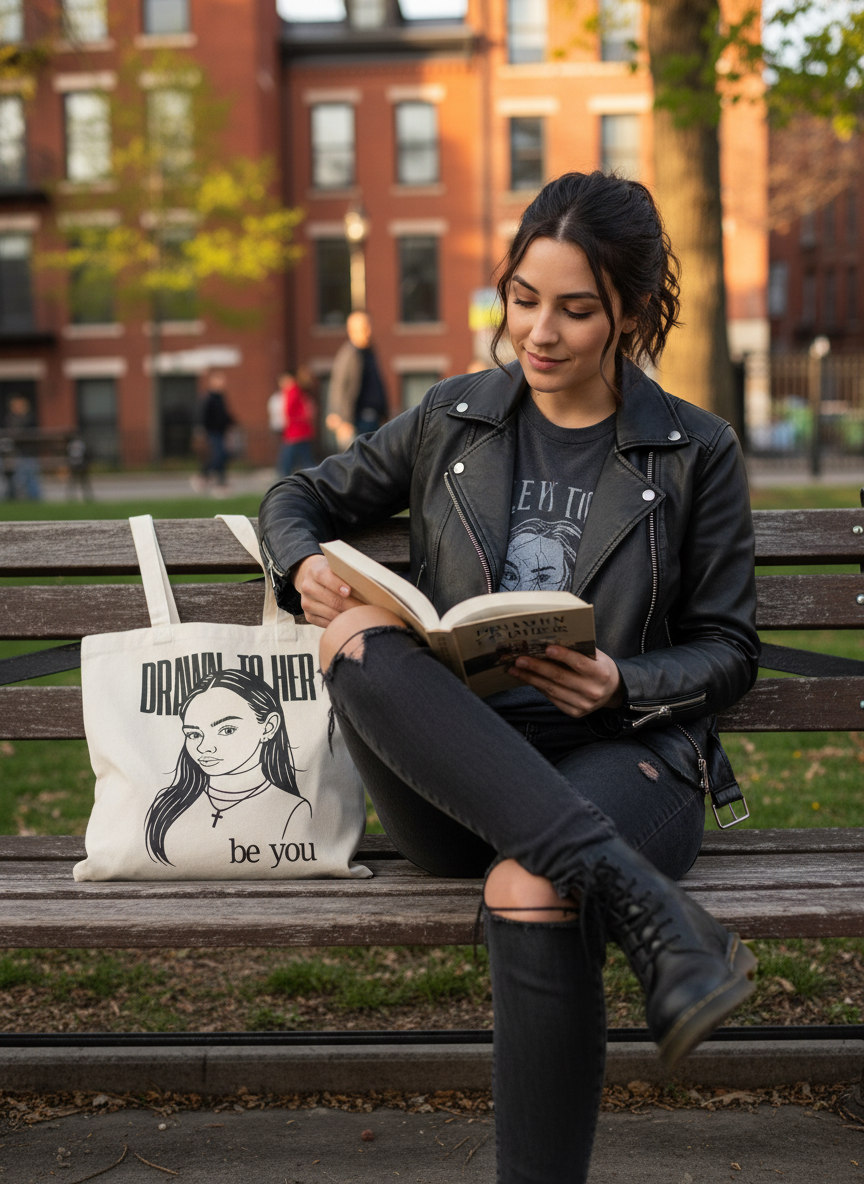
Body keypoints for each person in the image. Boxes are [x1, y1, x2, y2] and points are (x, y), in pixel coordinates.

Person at [258, 171, 760, 1182]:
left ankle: (603, 883)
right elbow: (298, 493)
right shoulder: (452, 417)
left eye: (576, 309)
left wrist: (622, 682)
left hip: (623, 759)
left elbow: (728, 648)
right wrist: (301, 561)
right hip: (454, 775)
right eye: (523, 298)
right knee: (354, 631)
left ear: (631, 312)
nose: (538, 331)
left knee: (533, 880)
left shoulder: (695, 450)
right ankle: (651, 910)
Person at [145, 668, 311, 868]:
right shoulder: (168, 803)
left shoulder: (293, 810)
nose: (204, 747)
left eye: (227, 730)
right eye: (194, 734)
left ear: (269, 727)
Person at [326, 310, 389, 449]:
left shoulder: (370, 353)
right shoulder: (349, 355)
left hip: (373, 420)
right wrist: (342, 419)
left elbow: (377, 385)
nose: (368, 331)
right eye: (364, 327)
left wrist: (384, 413)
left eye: (369, 326)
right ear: (351, 330)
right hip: (356, 422)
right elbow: (339, 387)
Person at [193, 372, 234, 494]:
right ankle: (205, 475)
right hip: (212, 431)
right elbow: (203, 415)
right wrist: (201, 430)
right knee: (219, 455)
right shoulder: (208, 398)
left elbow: (224, 415)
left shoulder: (220, 397)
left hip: (221, 431)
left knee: (222, 456)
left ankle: (220, 482)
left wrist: (231, 422)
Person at [276, 368, 317, 478]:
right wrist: (304, 415)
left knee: (293, 459)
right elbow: (289, 411)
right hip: (297, 430)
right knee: (300, 459)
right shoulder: (295, 391)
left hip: (297, 431)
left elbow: (289, 410)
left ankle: (285, 479)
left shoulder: (296, 391)